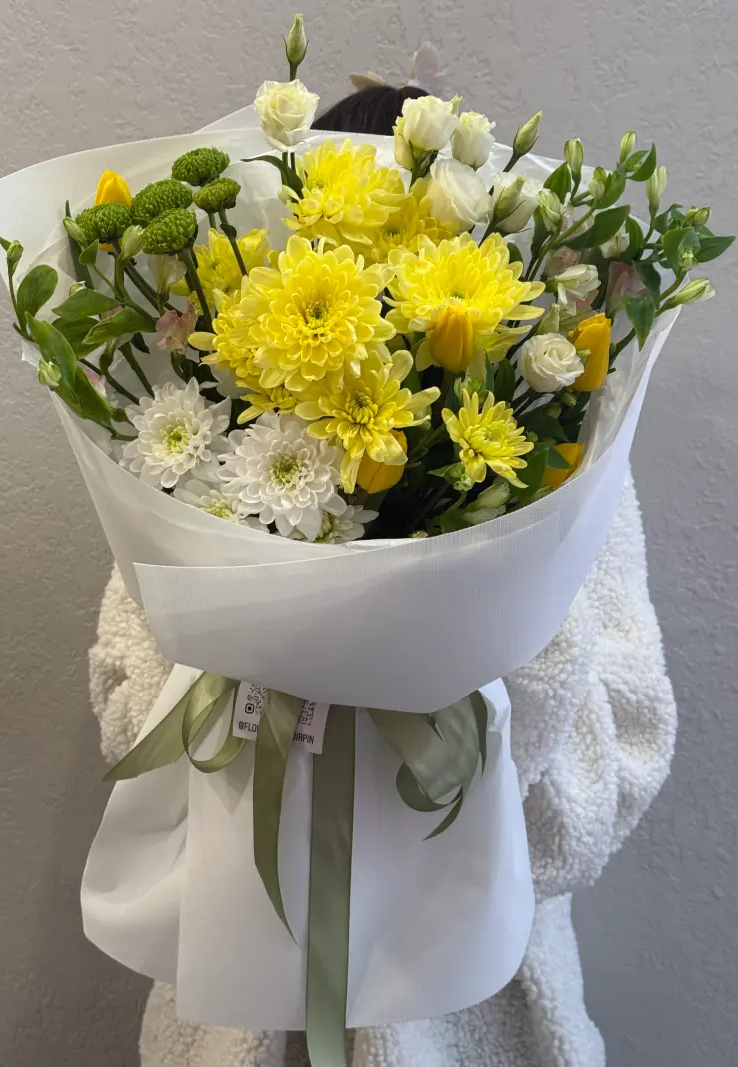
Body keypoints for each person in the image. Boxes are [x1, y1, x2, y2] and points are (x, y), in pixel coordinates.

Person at [89, 75, 677, 1067]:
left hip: (476, 1020)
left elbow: (598, 796)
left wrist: (498, 635)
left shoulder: (568, 487)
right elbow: (123, 721)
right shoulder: (191, 472)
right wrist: (254, 678)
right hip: (231, 1021)